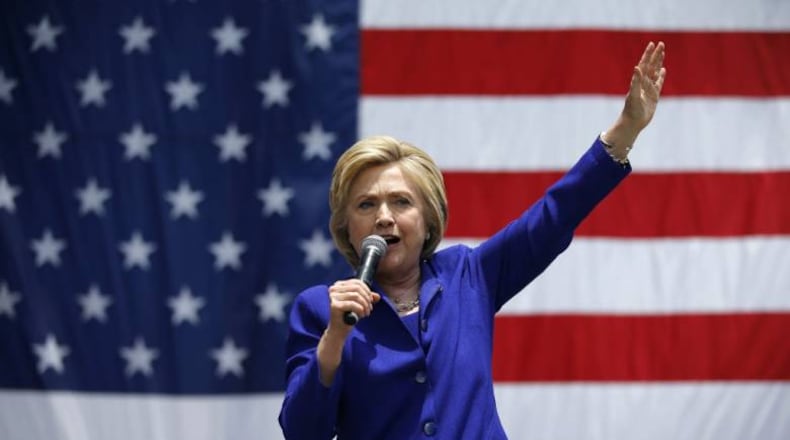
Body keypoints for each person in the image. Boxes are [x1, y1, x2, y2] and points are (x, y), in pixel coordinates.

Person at [279, 41, 667, 439]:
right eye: (366, 204)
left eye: (401, 202)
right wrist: (334, 340)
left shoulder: (467, 275)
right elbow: (301, 432)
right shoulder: (320, 309)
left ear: (429, 220)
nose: (383, 217)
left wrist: (626, 130)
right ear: (346, 227)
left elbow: (552, 217)